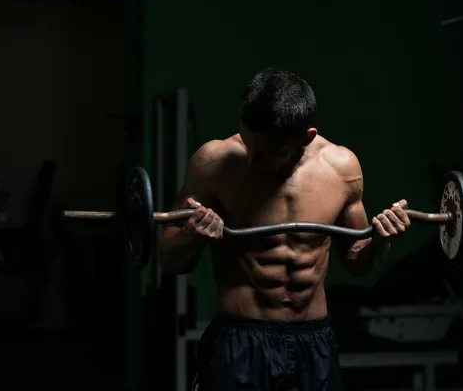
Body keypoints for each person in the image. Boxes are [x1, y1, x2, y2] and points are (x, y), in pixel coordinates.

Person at [158, 68, 411, 391]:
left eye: (268, 154)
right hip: (239, 341)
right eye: (250, 147)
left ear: (306, 136)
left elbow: (357, 265)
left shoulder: (342, 169)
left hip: (313, 342)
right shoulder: (214, 163)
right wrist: (191, 235)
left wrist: (378, 240)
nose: (253, 163)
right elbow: (168, 258)